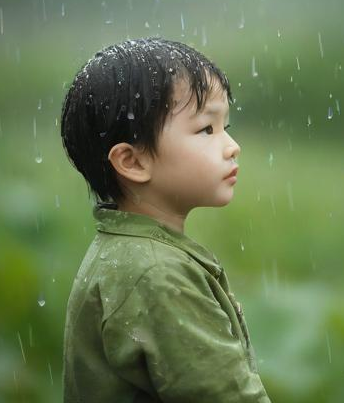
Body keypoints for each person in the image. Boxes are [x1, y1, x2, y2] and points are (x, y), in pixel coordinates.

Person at [59, 37, 271, 402]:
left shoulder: (128, 254)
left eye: (227, 127)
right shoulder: (155, 274)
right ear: (133, 162)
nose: (231, 146)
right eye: (207, 129)